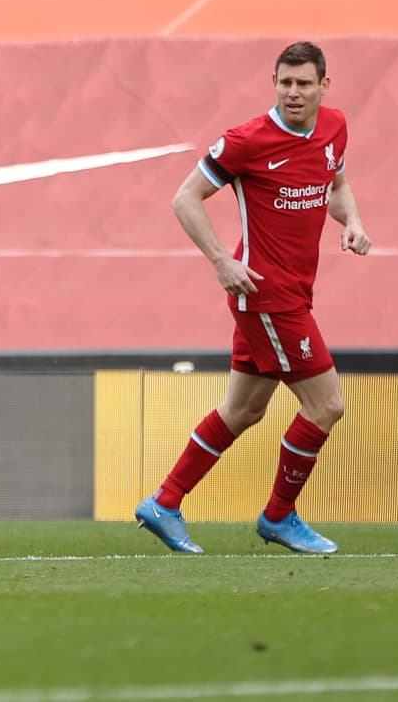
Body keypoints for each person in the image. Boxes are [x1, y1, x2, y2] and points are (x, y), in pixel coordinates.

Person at [135, 41, 372, 555]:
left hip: (292, 294)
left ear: (324, 86)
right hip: (267, 297)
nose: (293, 92)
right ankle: (279, 516)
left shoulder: (334, 126)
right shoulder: (247, 141)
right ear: (274, 83)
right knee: (327, 404)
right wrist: (222, 260)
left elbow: (335, 185)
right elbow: (185, 198)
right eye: (285, 82)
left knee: (242, 410)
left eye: (304, 83)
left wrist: (352, 221)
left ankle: (164, 502)